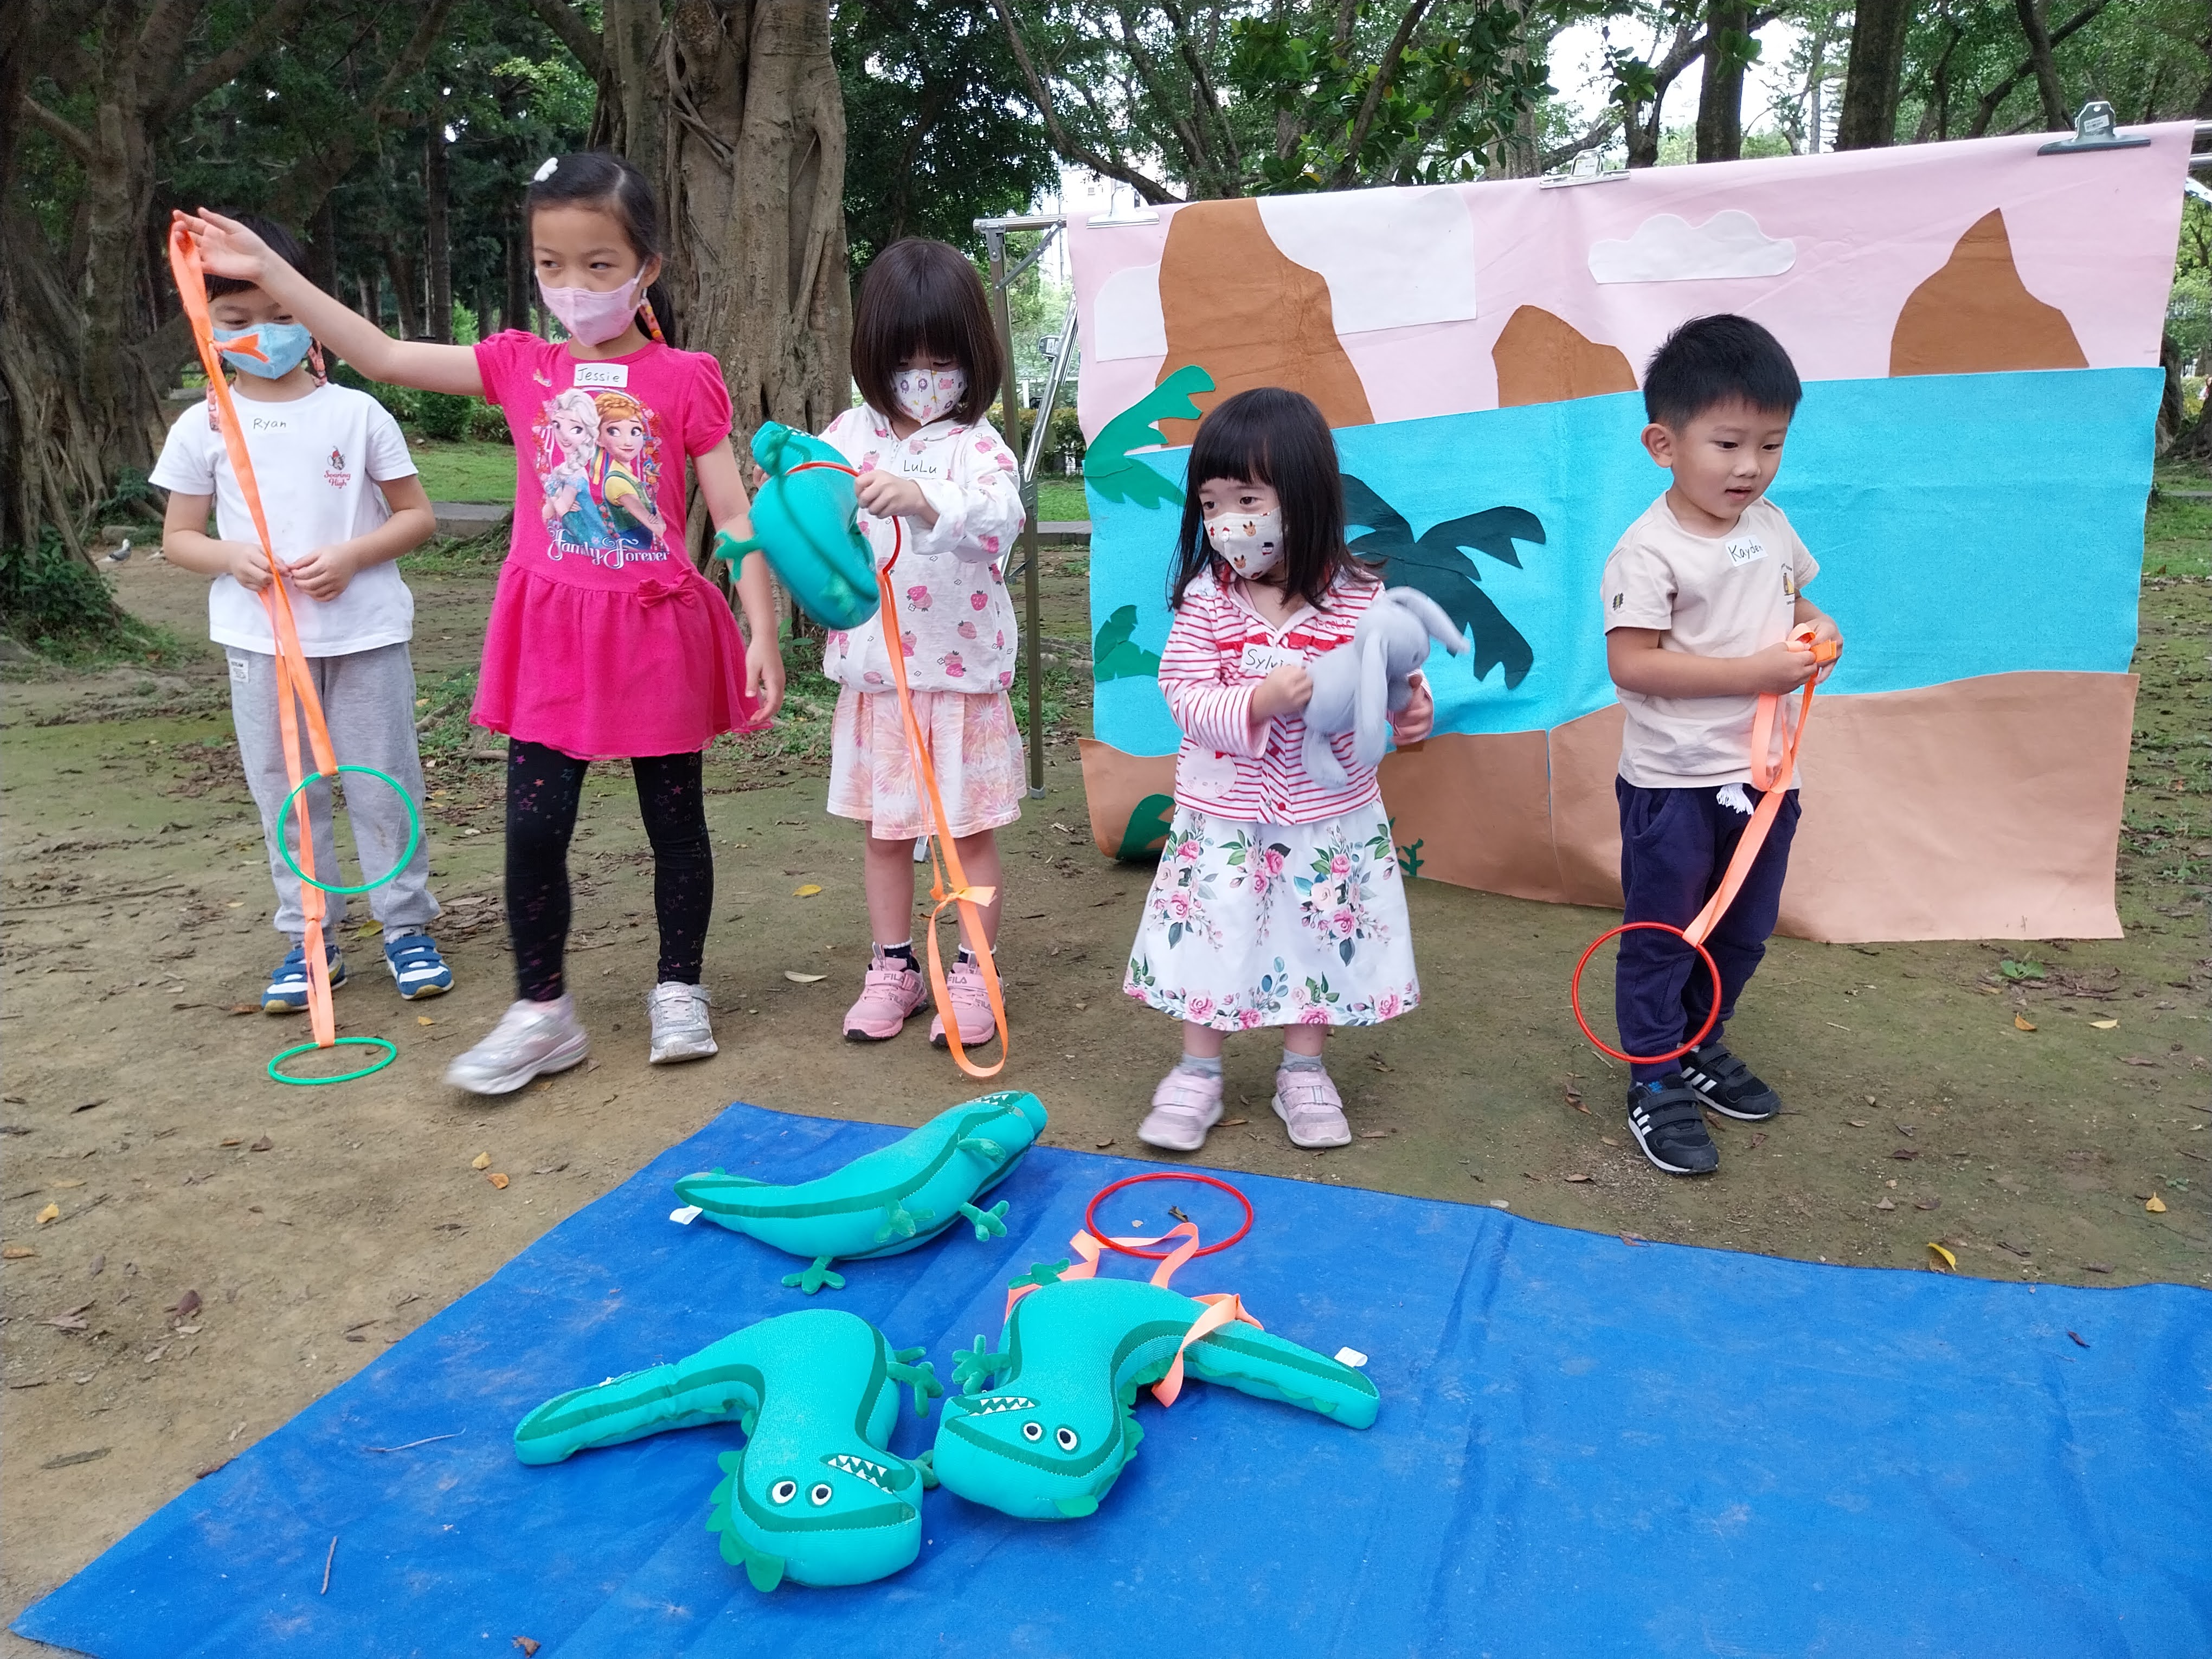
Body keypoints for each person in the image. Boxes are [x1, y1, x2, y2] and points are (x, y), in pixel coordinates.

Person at [176, 150, 786, 1096]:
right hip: (552, 636)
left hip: (656, 630)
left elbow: (735, 516)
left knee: (676, 824)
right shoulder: (518, 365)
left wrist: (762, 630)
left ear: (647, 269)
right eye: (551, 264)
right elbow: (382, 355)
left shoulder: (686, 378)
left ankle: (679, 988)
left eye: (599, 264)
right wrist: (268, 271)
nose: (573, 285)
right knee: (533, 833)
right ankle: (543, 1012)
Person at [152, 212, 454, 1014]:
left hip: (366, 635)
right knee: (285, 791)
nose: (263, 332)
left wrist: (354, 556)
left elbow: (416, 516)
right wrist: (230, 558)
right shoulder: (202, 426)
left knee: (384, 782)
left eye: (282, 314)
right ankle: (310, 934)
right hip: (261, 644)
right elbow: (179, 538)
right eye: (237, 318)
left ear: (310, 312)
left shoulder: (356, 414)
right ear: (207, 325)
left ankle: (406, 926)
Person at [1124, 387, 1432, 1154]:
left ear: (1304, 496)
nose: (1228, 521)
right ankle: (1198, 1070)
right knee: (1214, 930)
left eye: (1248, 499)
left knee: (1319, 931)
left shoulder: (1359, 597)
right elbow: (1183, 693)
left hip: (1329, 815)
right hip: (1225, 815)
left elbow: (1389, 673)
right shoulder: (1207, 600)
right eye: (1211, 503)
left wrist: (1411, 706)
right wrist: (1256, 702)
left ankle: (1304, 1068)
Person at [1602, 313, 1842, 1177]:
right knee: (1666, 932)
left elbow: (1795, 605)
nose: (1751, 466)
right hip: (1673, 785)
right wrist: (1754, 673)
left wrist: (1821, 631)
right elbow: (1632, 663)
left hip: (1767, 779)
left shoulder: (1769, 526)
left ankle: (1702, 1040)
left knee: (1743, 930)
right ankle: (1654, 1074)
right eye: (1730, 444)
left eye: (1771, 445)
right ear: (1664, 444)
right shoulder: (1647, 552)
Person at [820, 239, 1026, 1049]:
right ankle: (894, 968)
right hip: (879, 682)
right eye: (905, 361)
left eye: (941, 362)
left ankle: (975, 972)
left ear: (972, 359)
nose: (923, 378)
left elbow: (1000, 519)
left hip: (961, 681)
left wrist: (924, 497)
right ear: (875, 357)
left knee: (967, 836)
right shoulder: (848, 434)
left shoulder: (977, 446)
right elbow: (812, 512)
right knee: (885, 834)